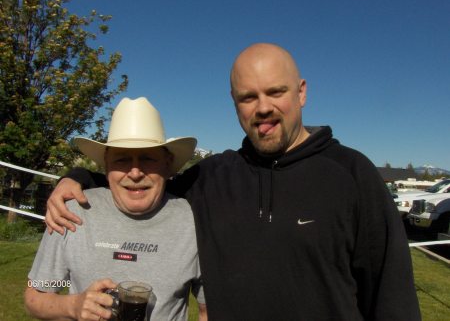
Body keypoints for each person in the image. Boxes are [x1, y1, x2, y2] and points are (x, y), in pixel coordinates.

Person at [45, 44, 421, 320]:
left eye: (276, 92)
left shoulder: (352, 175)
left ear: (302, 91)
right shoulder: (213, 176)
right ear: (233, 102)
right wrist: (75, 177)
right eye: (248, 96)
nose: (262, 107)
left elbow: (393, 297)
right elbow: (140, 178)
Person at [25, 97, 207, 321]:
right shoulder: (70, 212)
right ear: (106, 165)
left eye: (148, 159)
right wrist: (72, 305)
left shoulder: (193, 221)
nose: (135, 173)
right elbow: (36, 294)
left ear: (167, 164)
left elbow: (206, 310)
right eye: (122, 160)